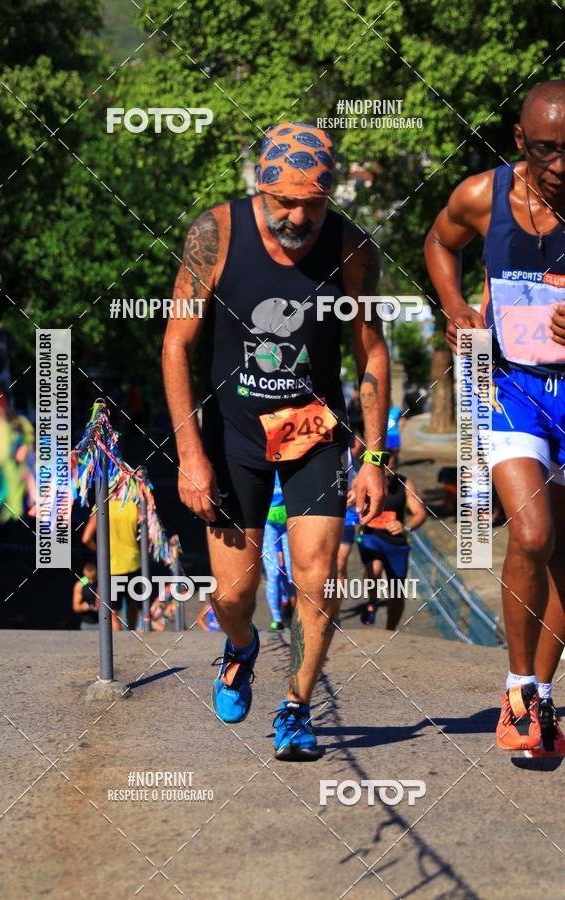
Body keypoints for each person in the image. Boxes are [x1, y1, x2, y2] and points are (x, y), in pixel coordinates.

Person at [163, 120, 390, 760]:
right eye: (282, 201)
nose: (296, 216)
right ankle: (241, 648)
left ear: (330, 194)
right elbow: (177, 347)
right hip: (233, 437)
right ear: (260, 187)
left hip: (316, 435)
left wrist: (374, 457)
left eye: (311, 204)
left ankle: (296, 707)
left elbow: (371, 351)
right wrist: (190, 456)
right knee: (234, 594)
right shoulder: (215, 235)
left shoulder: (350, 247)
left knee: (320, 580)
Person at [424, 80, 565, 754]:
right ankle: (516, 690)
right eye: (546, 150)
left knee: (563, 554)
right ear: (520, 141)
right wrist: (454, 306)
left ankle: (537, 703)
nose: (561, 165)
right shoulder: (482, 196)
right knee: (531, 533)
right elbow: (437, 243)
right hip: (510, 386)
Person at [356, 450, 427, 629]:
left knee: (396, 592)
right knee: (375, 567)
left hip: (396, 543)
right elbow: (351, 503)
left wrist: (405, 527)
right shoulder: (364, 480)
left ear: (396, 465)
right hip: (371, 537)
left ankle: (390, 630)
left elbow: (420, 513)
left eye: (390, 465)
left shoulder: (405, 484)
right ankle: (372, 601)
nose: (386, 469)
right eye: (383, 465)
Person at [82, 497, 142, 631]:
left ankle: (118, 637)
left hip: (111, 567)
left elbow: (86, 538)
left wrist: (98, 550)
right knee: (133, 603)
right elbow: (148, 532)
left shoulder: (101, 508)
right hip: (133, 562)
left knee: (113, 609)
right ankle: (131, 633)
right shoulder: (133, 507)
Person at [262, 472, 295, 631]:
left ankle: (287, 601)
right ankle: (277, 619)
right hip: (268, 525)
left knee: (292, 574)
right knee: (274, 572)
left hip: (290, 522)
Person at [336, 432, 363, 583]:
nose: (353, 450)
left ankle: (336, 606)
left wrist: (357, 493)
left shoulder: (359, 465)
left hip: (348, 518)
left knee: (339, 565)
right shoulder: (332, 456)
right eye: (351, 446)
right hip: (325, 516)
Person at [72, 560, 99, 630]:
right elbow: (76, 607)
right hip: (87, 623)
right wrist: (83, 607)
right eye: (89, 577)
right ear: (84, 572)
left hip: (104, 622)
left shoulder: (103, 581)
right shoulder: (80, 584)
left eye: (93, 577)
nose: (91, 579)